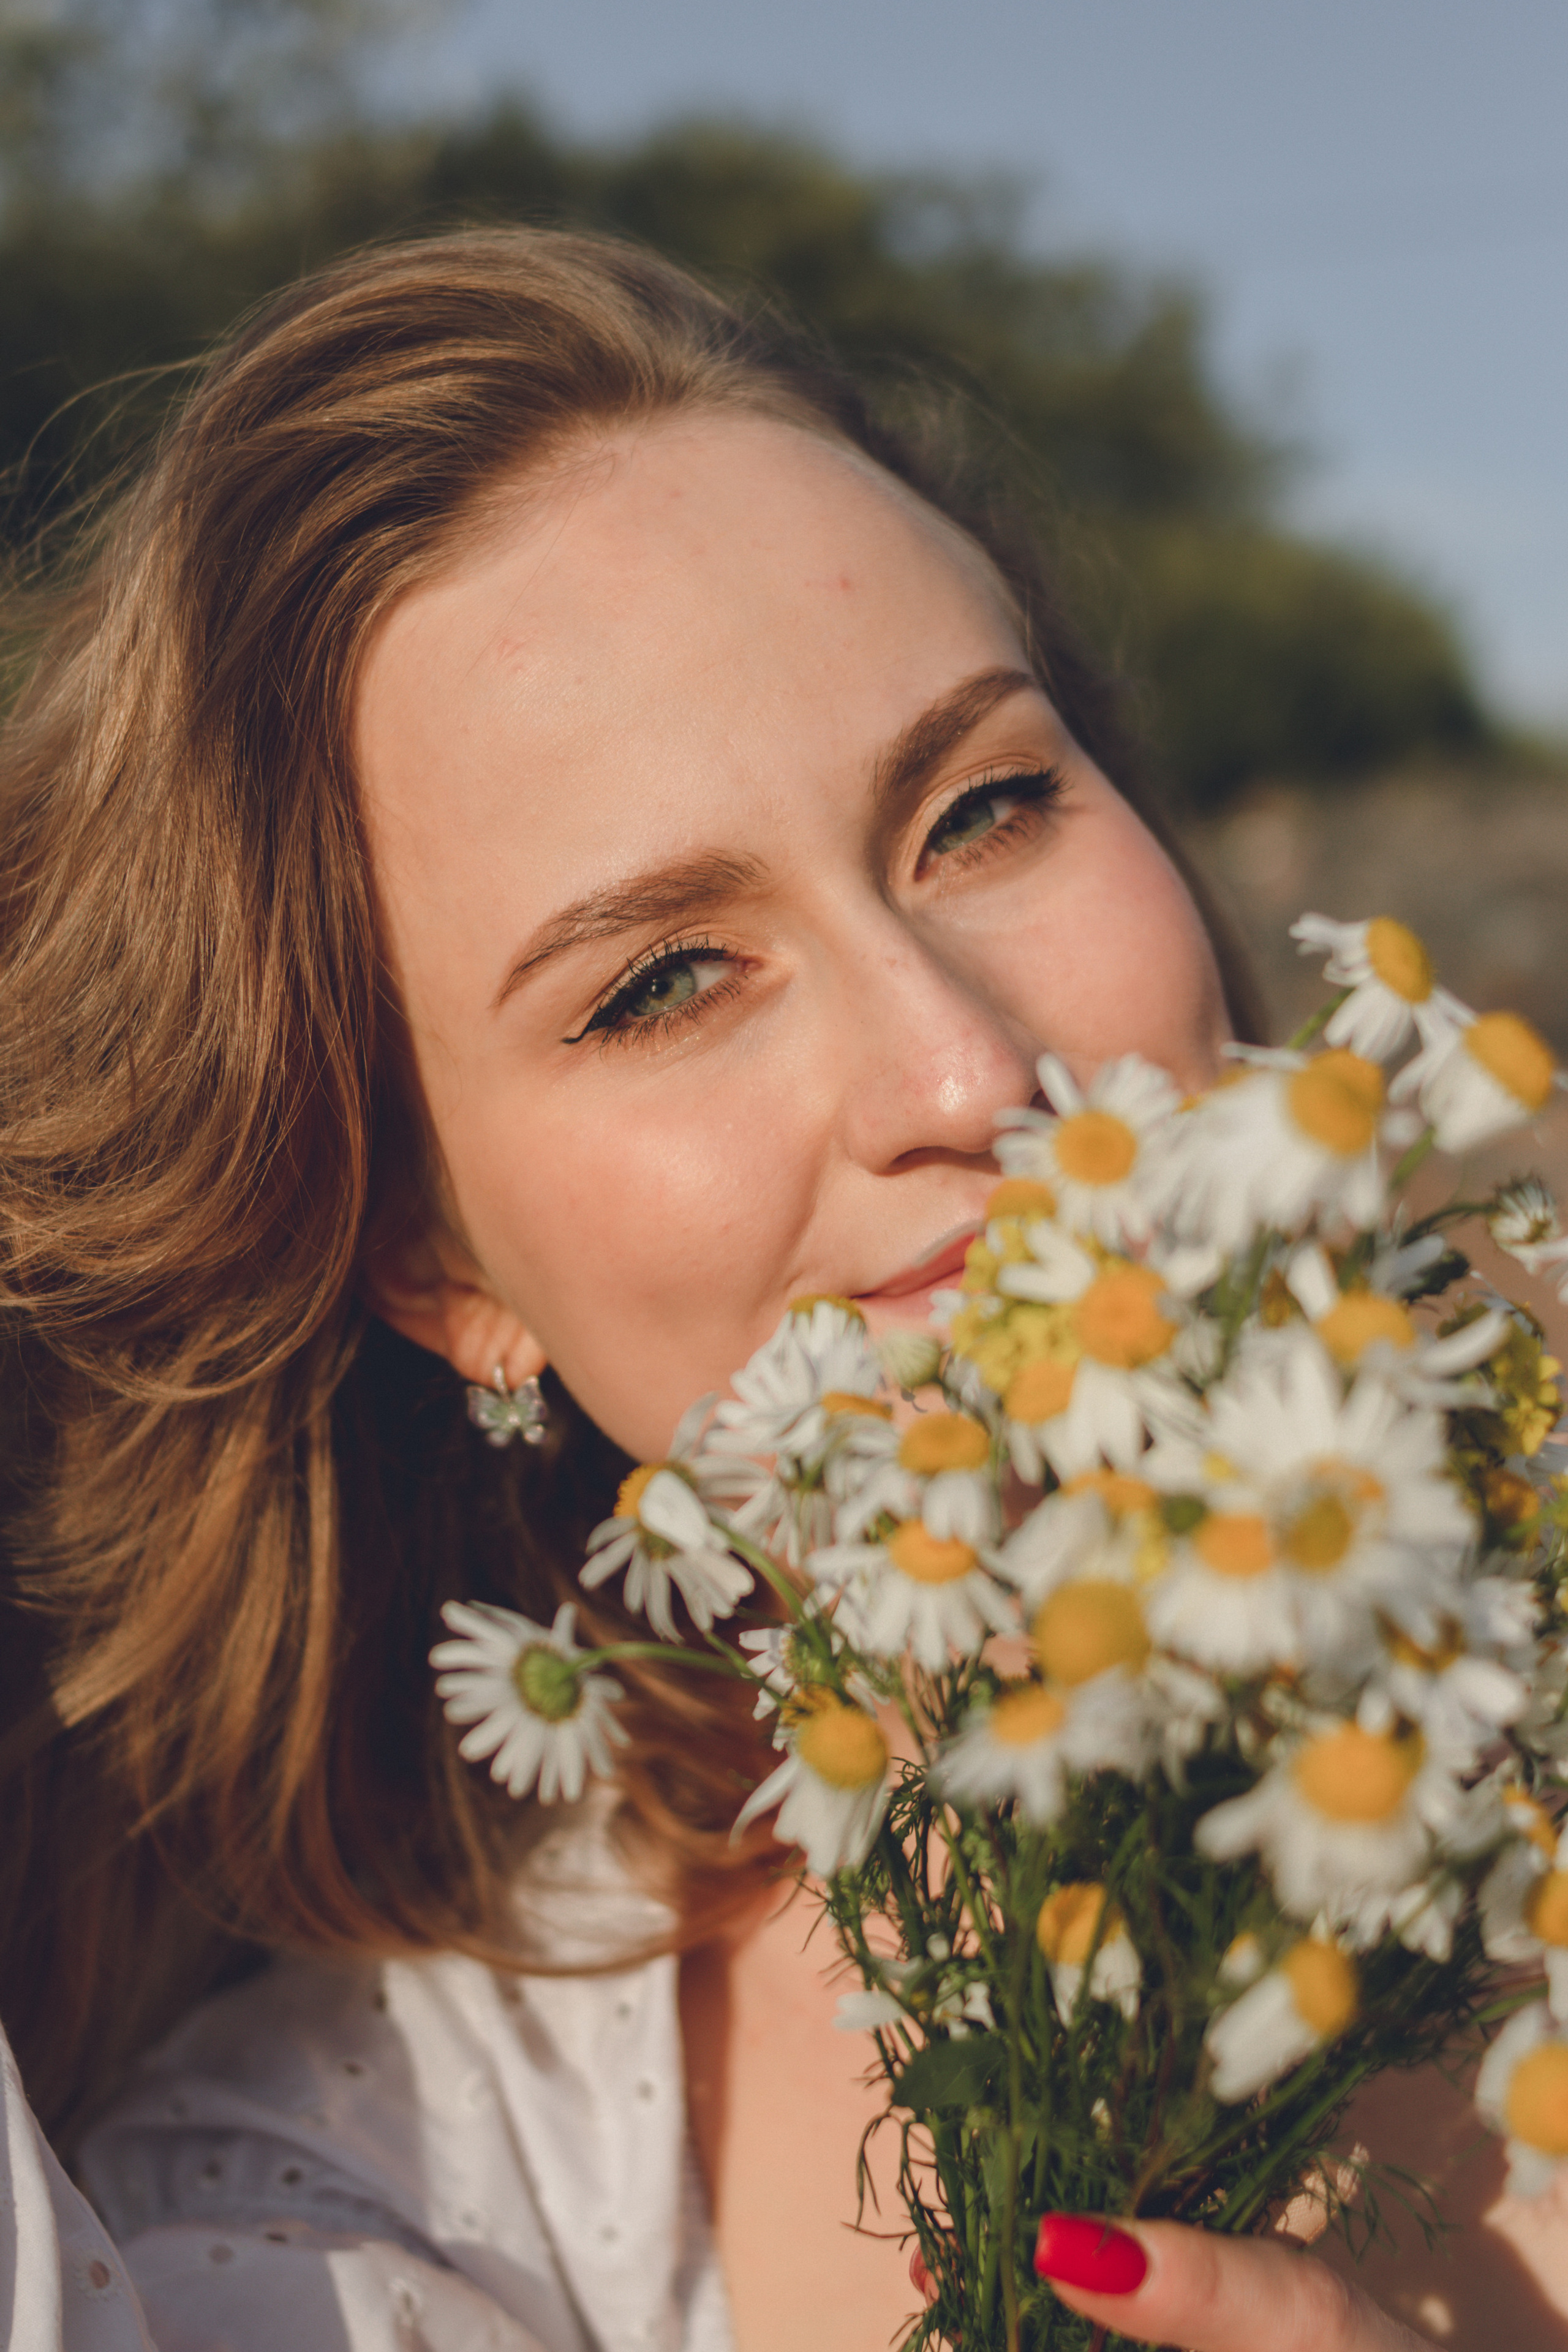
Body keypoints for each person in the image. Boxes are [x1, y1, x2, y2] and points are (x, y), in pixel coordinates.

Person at [0, 224, 1469, 2350]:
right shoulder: (325, 2225)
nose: (970, 1070)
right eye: (666, 982)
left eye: (983, 810)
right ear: (428, 1257)